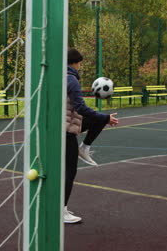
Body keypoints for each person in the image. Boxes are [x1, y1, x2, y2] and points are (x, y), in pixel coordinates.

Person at [64, 48, 118, 223]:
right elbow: (80, 108)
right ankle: (61, 211)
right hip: (65, 133)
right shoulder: (72, 80)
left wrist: (102, 118)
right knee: (69, 172)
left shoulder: (59, 77)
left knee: (99, 119)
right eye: (79, 63)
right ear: (76, 62)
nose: (80, 66)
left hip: (58, 128)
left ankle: (85, 148)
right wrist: (105, 118)